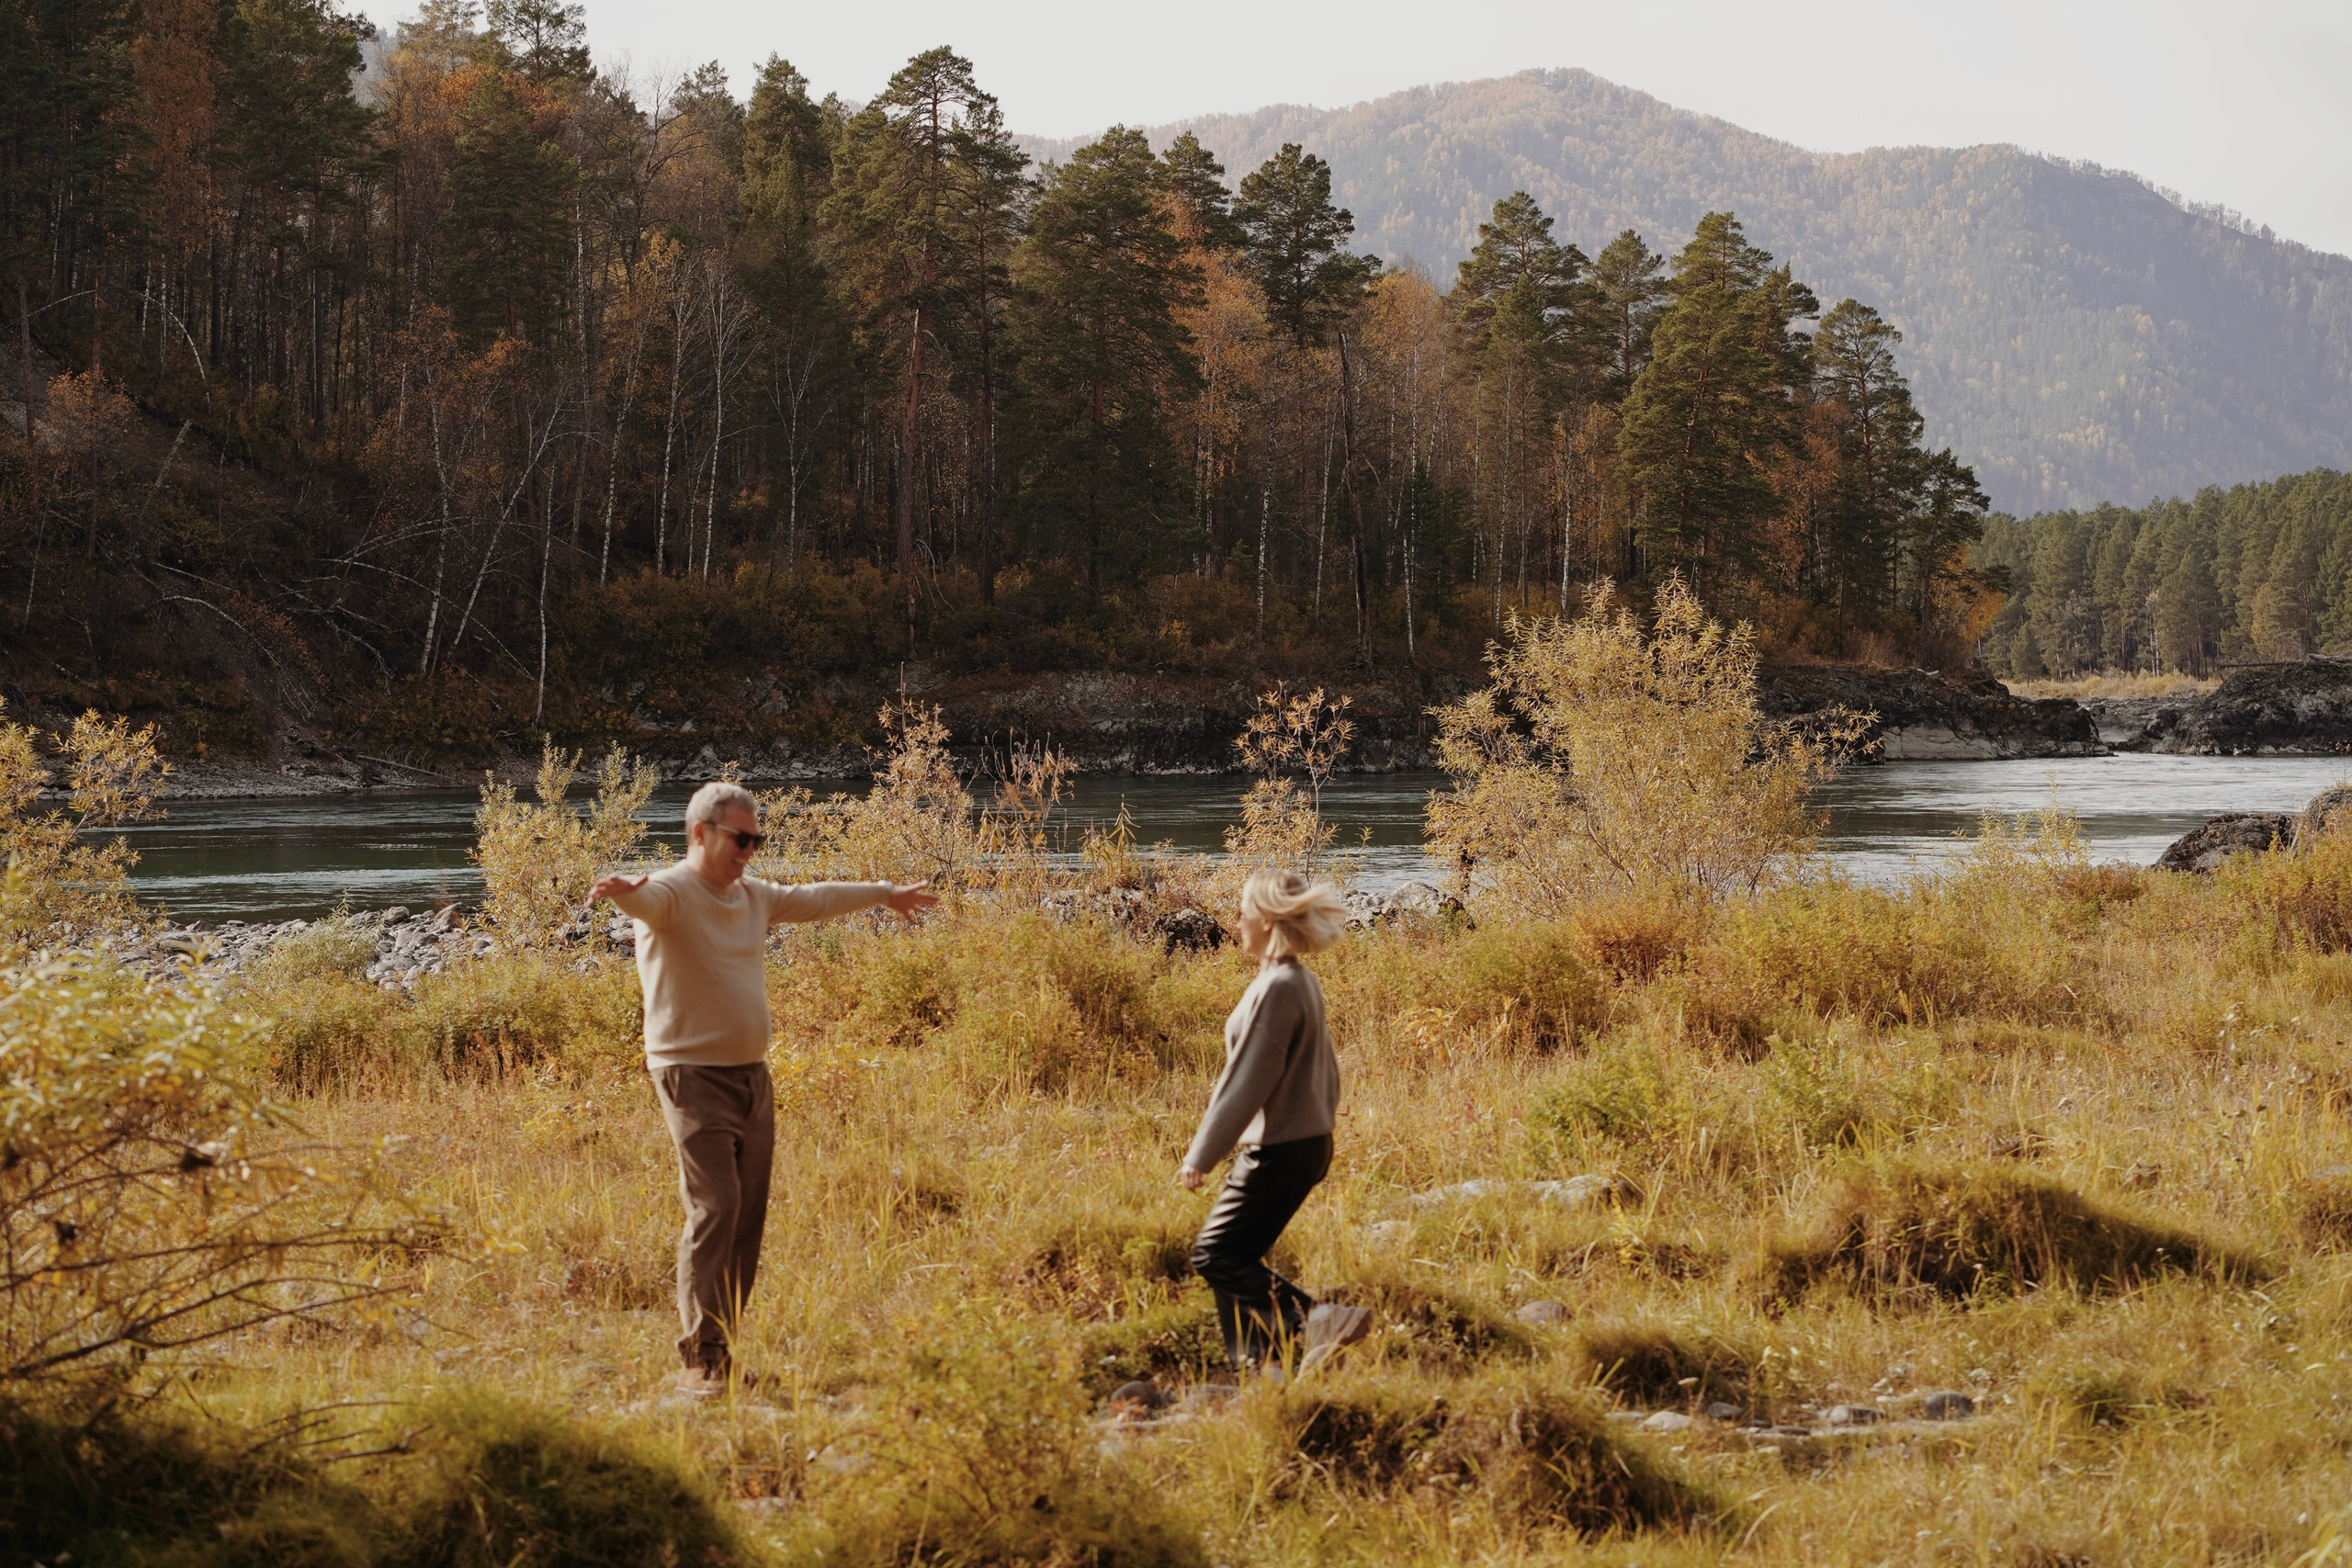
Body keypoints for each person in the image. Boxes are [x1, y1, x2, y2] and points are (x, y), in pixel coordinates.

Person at [589, 781, 938, 1396]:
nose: (748, 851)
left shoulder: (752, 895)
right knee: (715, 1206)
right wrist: (621, 893)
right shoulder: (672, 892)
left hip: (753, 1074)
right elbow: (644, 904)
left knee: (746, 1215)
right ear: (700, 832)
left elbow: (815, 897)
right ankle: (698, 1361)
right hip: (690, 1075)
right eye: (739, 839)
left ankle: (721, 1351)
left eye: (757, 840)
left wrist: (885, 893)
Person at [1179, 869, 1371, 1372]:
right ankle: (1258, 1366)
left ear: (1266, 918)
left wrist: (1201, 1154)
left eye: (1244, 909)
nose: (1237, 918)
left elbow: (1247, 1082)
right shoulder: (1287, 980)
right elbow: (1320, 1068)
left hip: (1284, 1148)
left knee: (1215, 1256)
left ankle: (1319, 1319)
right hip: (1298, 1143)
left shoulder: (1283, 986)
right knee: (1235, 1259)